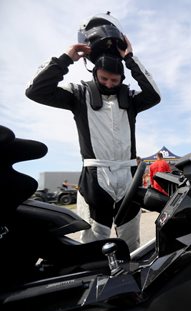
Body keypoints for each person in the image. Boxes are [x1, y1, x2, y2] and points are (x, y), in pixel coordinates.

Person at [25, 36, 161, 252]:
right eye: (104, 78)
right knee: (92, 245)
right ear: (94, 73)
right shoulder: (79, 93)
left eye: (114, 81)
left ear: (121, 78)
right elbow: (36, 91)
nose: (109, 84)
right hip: (95, 178)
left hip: (128, 176)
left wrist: (131, 59)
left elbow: (154, 95)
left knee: (131, 243)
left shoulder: (131, 98)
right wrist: (66, 58)